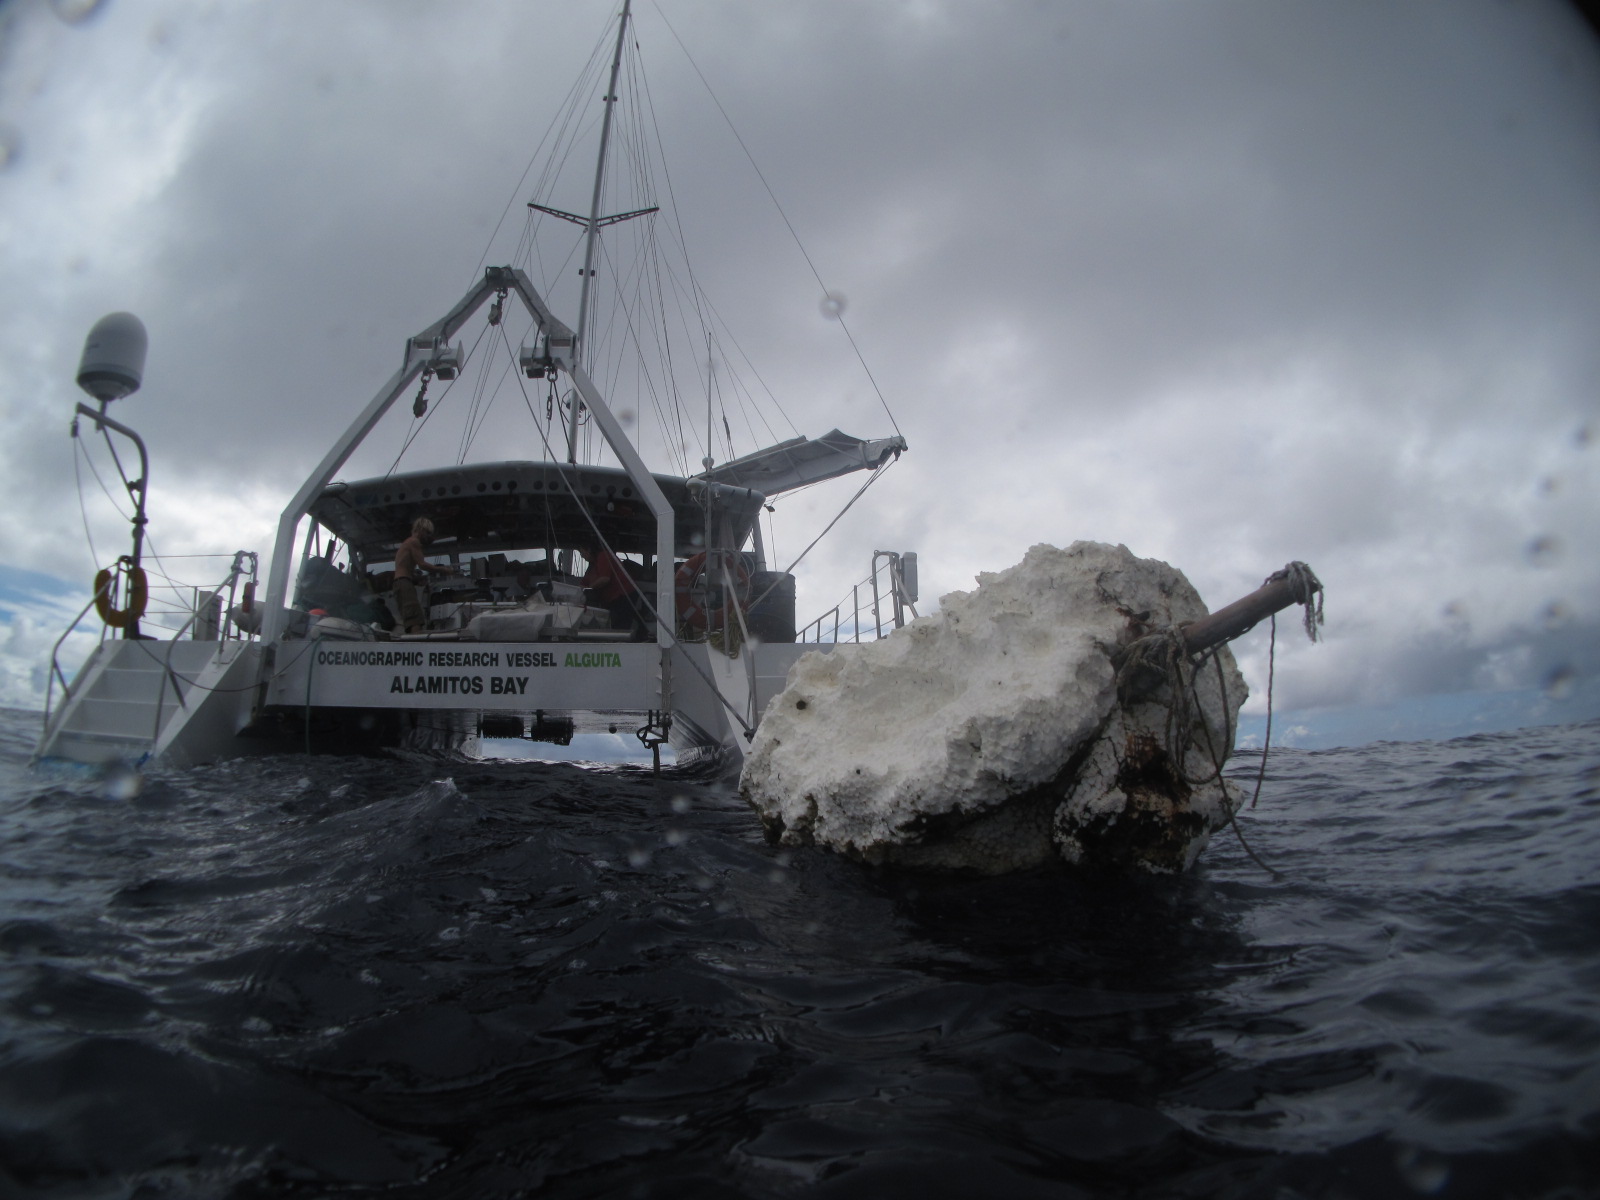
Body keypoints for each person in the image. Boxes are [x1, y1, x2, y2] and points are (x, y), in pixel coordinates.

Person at [394, 518, 452, 634]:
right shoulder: (414, 542)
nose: (428, 536)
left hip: (401, 583)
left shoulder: (407, 543)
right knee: (415, 619)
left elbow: (404, 567)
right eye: (428, 532)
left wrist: (417, 579)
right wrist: (444, 569)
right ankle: (418, 647)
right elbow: (422, 565)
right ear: (421, 529)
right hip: (404, 584)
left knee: (410, 620)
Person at [581, 542, 646, 639]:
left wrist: (589, 588)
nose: (582, 556)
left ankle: (622, 643)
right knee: (614, 620)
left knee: (621, 623)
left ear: (589, 550)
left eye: (583, 553)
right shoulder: (593, 564)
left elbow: (604, 578)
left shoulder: (603, 556)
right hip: (611, 598)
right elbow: (585, 580)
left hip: (623, 594)